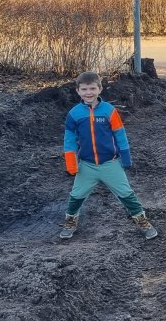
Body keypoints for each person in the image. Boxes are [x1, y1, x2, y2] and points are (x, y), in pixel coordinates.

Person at [60, 71, 158, 240]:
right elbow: (69, 139)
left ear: (100, 89)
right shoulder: (74, 114)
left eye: (92, 88)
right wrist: (71, 162)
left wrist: (125, 157)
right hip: (87, 165)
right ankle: (70, 222)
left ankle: (142, 222)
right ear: (78, 91)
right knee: (76, 196)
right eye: (84, 89)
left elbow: (120, 135)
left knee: (127, 194)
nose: (88, 92)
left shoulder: (109, 111)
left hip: (110, 163)